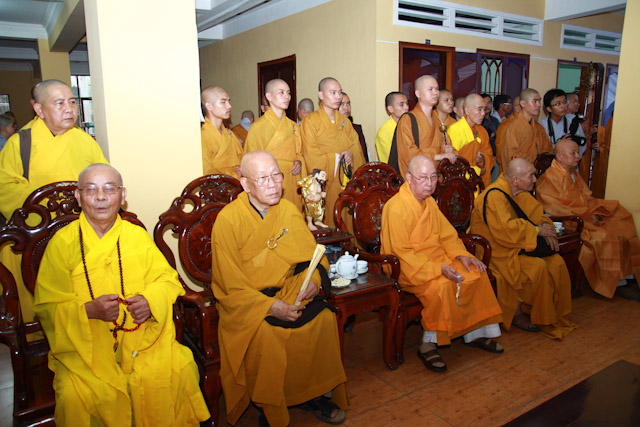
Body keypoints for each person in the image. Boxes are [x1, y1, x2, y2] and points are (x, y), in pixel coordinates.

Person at [33, 163, 210, 426]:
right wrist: (89, 310)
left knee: (177, 369)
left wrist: (150, 301)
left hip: (141, 339)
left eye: (109, 189)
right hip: (84, 345)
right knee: (74, 396)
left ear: (122, 195)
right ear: (79, 197)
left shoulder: (136, 236)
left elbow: (167, 280)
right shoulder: (62, 243)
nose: (100, 197)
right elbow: (47, 307)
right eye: (91, 190)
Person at [211, 151, 348, 427]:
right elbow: (229, 284)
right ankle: (270, 405)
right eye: (263, 178)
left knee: (323, 318)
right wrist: (270, 306)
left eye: (276, 175)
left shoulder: (287, 210)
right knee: (269, 335)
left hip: (289, 289)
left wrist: (314, 282)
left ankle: (314, 394)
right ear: (245, 184)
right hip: (249, 303)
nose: (273, 183)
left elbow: (313, 256)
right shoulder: (228, 220)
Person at [381, 155, 503, 373]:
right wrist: (437, 269)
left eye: (433, 177)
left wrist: (462, 255)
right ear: (408, 177)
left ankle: (475, 333)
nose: (429, 183)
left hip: (439, 260)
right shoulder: (396, 208)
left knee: (476, 274)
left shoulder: (429, 203)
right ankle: (428, 345)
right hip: (411, 268)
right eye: (423, 178)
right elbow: (400, 253)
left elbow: (447, 236)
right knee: (443, 287)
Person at [0, 79, 108, 326]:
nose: (69, 109)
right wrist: (49, 202)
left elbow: (103, 178)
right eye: (59, 103)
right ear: (39, 109)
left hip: (78, 231)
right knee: (39, 300)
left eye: (72, 102)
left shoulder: (84, 141)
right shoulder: (21, 143)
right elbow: (4, 187)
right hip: (34, 235)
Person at [470, 158, 576, 340]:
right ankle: (521, 313)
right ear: (515, 180)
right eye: (531, 176)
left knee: (556, 262)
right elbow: (504, 231)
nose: (535, 179)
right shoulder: (495, 196)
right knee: (538, 267)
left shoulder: (520, 193)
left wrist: (546, 227)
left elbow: (538, 215)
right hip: (497, 251)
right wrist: (536, 231)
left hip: (518, 246)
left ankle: (549, 313)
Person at [535, 139, 640, 300]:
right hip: (572, 222)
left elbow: (587, 197)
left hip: (587, 215)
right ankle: (618, 283)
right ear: (560, 157)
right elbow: (555, 208)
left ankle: (630, 276)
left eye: (578, 152)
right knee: (606, 237)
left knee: (622, 222)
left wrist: (596, 212)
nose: (578, 156)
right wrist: (588, 217)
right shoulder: (548, 179)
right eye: (573, 153)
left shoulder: (573, 173)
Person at [300, 77, 365, 227]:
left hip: (345, 183)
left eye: (340, 92)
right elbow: (310, 154)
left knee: (347, 222)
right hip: (325, 184)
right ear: (321, 95)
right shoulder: (310, 122)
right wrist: (335, 158)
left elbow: (356, 147)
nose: (338, 97)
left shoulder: (345, 122)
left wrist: (350, 153)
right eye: (333, 92)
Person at [245, 79, 306, 210]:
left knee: (292, 215)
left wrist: (299, 162)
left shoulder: (293, 126)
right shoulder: (257, 127)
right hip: (269, 184)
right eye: (281, 92)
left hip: (291, 181)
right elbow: (251, 163)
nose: (286, 96)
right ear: (269, 96)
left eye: (288, 93)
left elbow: (299, 153)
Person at [391, 75, 456, 177]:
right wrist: (437, 156)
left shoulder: (437, 121)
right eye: (430, 89)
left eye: (437, 89)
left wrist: (448, 150)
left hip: (434, 178)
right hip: (415, 178)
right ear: (418, 93)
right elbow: (408, 154)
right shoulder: (408, 120)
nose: (435, 92)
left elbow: (446, 144)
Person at [446, 94, 494, 188]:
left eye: (484, 109)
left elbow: (489, 157)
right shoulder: (455, 130)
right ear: (467, 110)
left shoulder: (482, 131)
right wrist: (477, 171)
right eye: (479, 109)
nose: (483, 113)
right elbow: (453, 163)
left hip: (478, 184)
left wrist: (482, 160)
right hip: (461, 186)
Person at [500, 88, 553, 169]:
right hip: (520, 171)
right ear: (523, 103)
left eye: (539, 101)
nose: (538, 104)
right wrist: (535, 162)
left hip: (538, 170)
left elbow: (547, 149)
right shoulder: (513, 127)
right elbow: (512, 154)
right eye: (535, 101)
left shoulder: (539, 127)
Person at [200, 86, 243, 178]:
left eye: (228, 101)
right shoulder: (203, 136)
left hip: (237, 184)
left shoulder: (229, 134)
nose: (229, 106)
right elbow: (206, 172)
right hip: (217, 185)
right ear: (209, 106)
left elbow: (241, 159)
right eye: (223, 102)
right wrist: (234, 175)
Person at [539, 89, 588, 161]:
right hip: (551, 163)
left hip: (571, 163)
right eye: (558, 104)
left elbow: (582, 144)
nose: (563, 106)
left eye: (564, 102)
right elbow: (542, 150)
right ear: (549, 108)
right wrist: (561, 144)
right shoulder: (542, 125)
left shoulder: (573, 120)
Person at [375, 91, 409, 163]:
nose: (407, 107)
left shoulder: (409, 126)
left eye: (407, 104)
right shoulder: (384, 132)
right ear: (391, 109)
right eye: (401, 105)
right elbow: (392, 158)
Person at [339, 91, 370, 161]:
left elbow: (365, 154)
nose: (346, 108)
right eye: (341, 104)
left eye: (348, 104)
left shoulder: (356, 129)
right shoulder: (330, 129)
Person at [495, 95, 521, 173]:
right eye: (508, 104)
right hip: (509, 168)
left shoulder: (535, 126)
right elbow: (500, 150)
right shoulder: (506, 125)